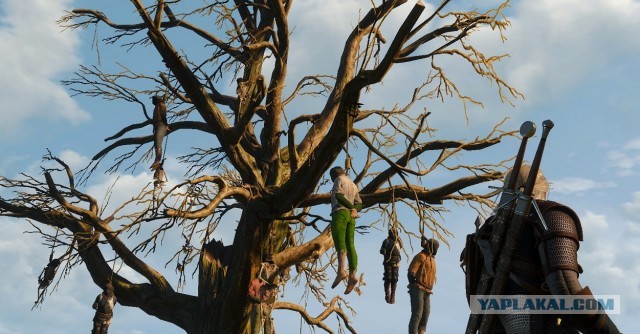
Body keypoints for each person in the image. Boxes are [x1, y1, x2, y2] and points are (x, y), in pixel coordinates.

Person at [464, 165, 620, 333]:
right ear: (544, 188)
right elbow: (566, 289)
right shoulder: (553, 216)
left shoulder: (487, 229)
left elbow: (478, 298)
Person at [328, 166, 362, 294]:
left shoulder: (339, 180)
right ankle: (353, 274)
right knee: (351, 245)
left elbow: (338, 196)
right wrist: (354, 209)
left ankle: (341, 270)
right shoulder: (353, 184)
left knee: (339, 241)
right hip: (351, 217)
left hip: (340, 213)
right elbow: (360, 204)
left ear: (334, 175)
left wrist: (350, 207)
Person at [408, 237, 438, 334]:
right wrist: (414, 284)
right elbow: (411, 272)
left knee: (425, 315)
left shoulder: (432, 260)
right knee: (417, 314)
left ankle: (421, 332)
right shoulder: (420, 256)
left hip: (427, 290)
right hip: (418, 288)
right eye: (434, 247)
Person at [380, 229, 402, 304]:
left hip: (396, 262)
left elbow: (400, 248)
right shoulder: (386, 241)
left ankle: (393, 295)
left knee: (394, 279)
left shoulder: (398, 241)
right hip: (388, 261)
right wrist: (384, 251)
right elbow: (381, 250)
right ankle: (387, 294)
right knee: (388, 278)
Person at [150, 95, 169, 171]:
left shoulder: (161, 105)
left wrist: (166, 125)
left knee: (158, 143)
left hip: (161, 125)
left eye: (154, 99)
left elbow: (163, 116)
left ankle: (158, 160)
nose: (152, 101)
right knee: (156, 144)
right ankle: (156, 160)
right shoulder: (156, 107)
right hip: (157, 126)